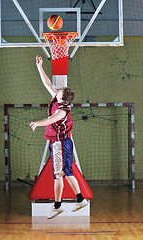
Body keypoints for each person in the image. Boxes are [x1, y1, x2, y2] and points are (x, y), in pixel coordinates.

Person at [29, 56, 88, 219]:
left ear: (61, 98)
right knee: (66, 173)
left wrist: (36, 123)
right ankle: (79, 200)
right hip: (62, 143)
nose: (56, 91)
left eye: (59, 92)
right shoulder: (59, 99)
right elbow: (48, 83)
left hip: (60, 144)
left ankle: (58, 205)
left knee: (59, 174)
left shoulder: (62, 111)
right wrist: (39, 67)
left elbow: (50, 120)